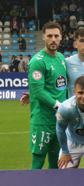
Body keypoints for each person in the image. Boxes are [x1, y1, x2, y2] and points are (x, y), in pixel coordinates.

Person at [28, 22, 67, 169]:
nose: (53, 39)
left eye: (56, 36)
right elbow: (38, 92)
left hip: (60, 119)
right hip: (42, 120)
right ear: (43, 37)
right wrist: (59, 106)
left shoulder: (62, 59)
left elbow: (61, 86)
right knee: (38, 161)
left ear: (61, 37)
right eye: (49, 36)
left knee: (56, 161)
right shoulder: (37, 62)